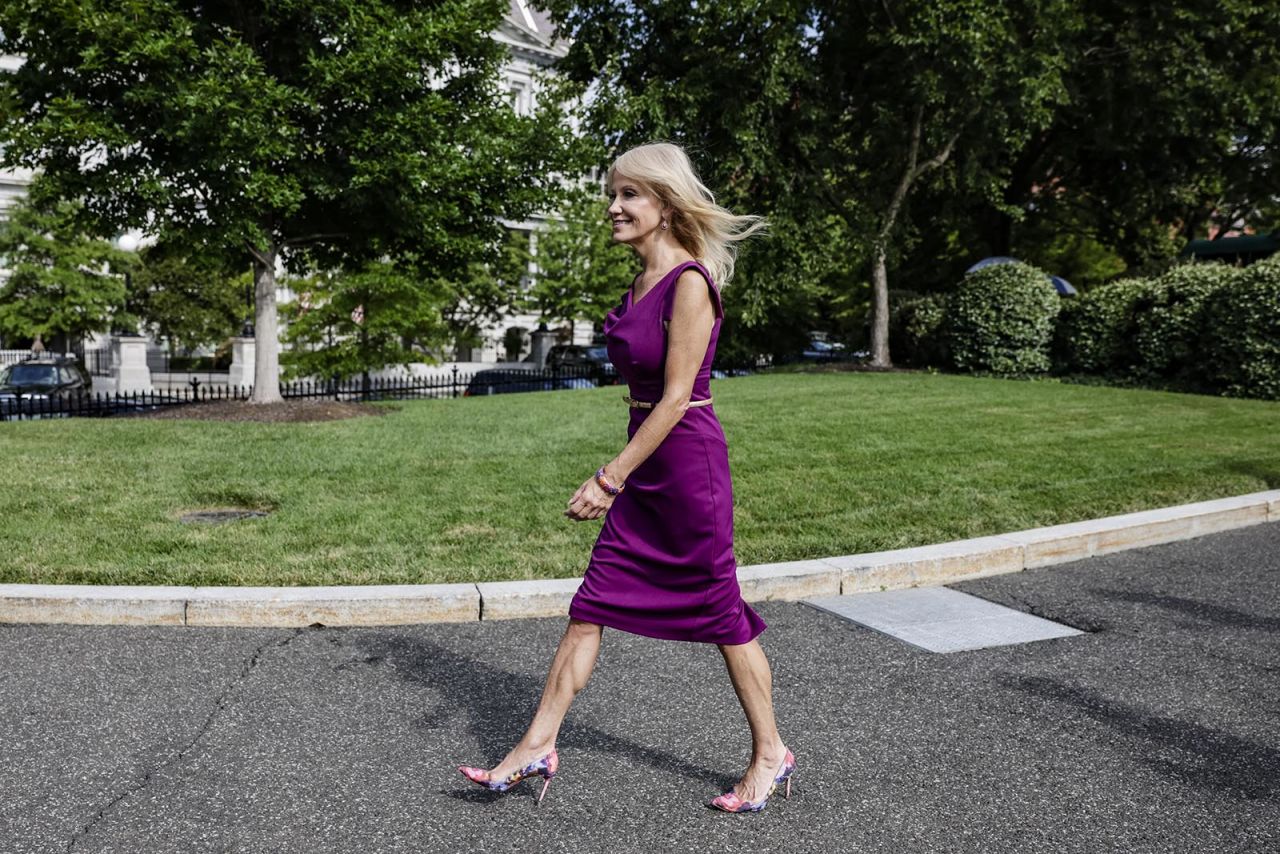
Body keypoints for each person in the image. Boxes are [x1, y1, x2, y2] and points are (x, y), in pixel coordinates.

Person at [458, 142, 795, 813]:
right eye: (612, 194)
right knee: (592, 608)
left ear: (665, 205)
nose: (613, 208)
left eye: (628, 196)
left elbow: (676, 399)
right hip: (647, 470)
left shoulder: (689, 283)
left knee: (723, 618)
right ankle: (536, 745)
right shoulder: (639, 283)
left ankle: (771, 753)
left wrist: (609, 479)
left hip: (687, 475)